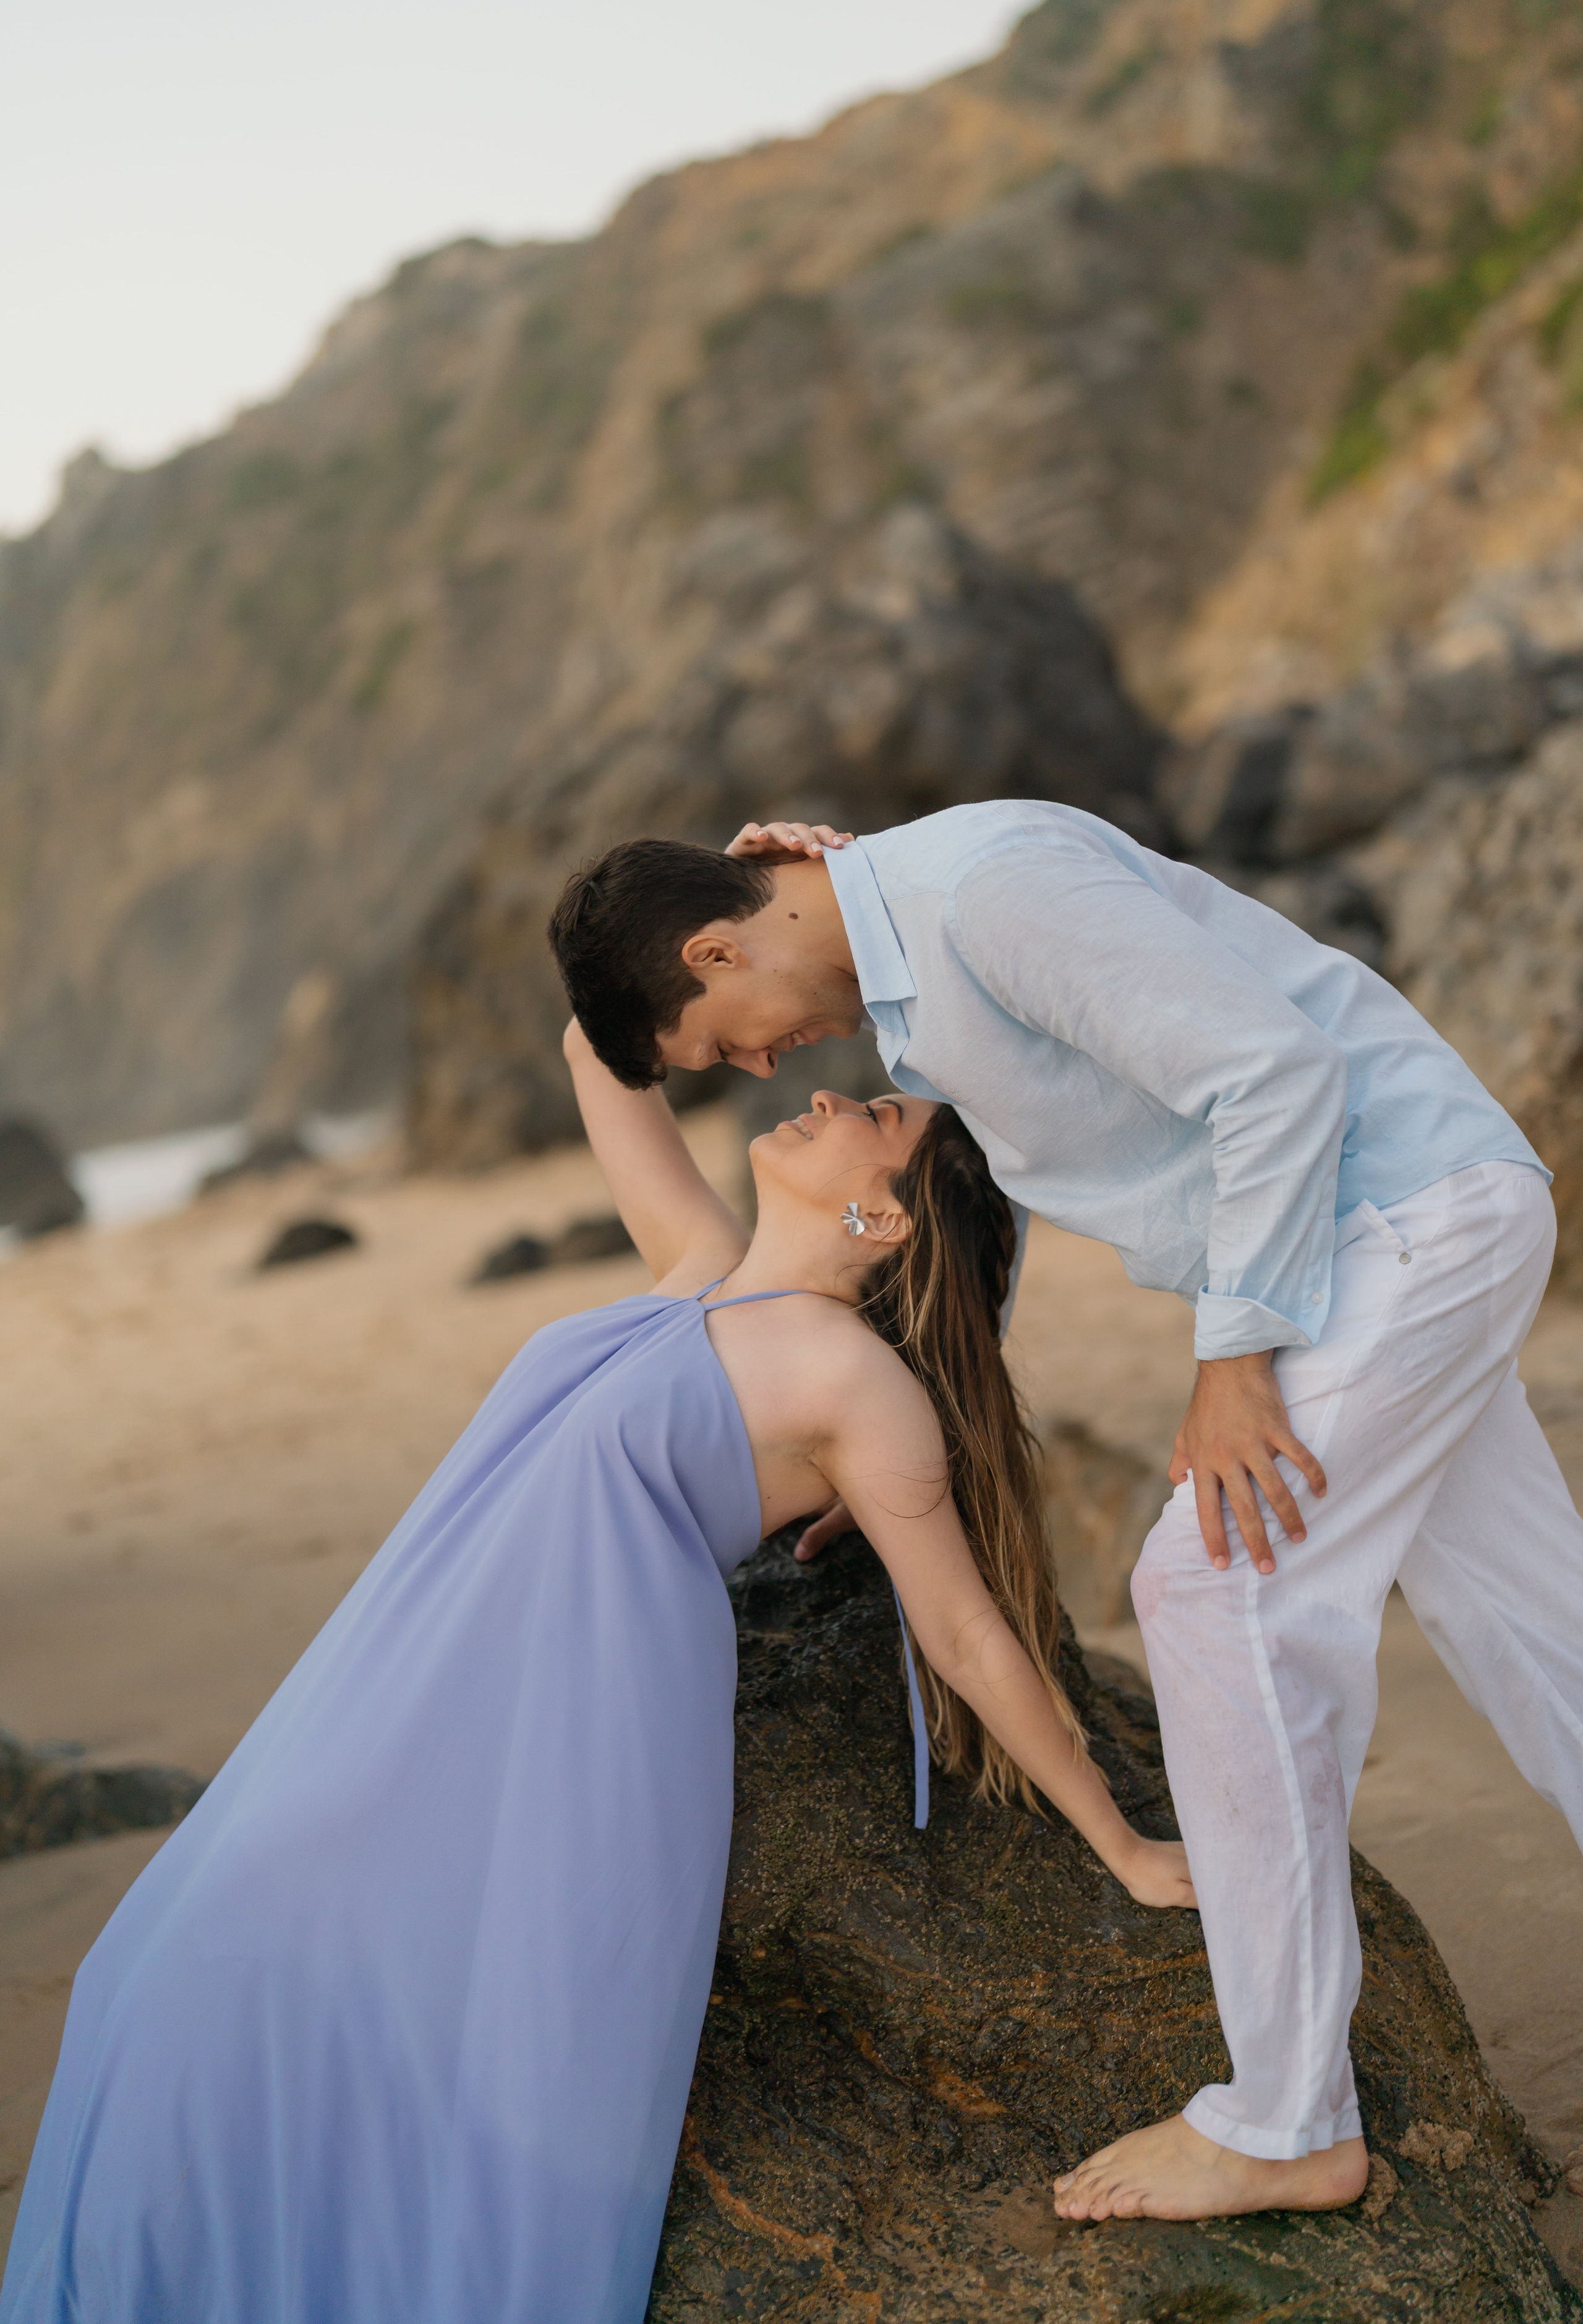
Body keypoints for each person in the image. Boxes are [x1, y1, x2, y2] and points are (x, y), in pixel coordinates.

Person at [1, 1022, 1192, 2324]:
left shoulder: (853, 1384)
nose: (833, 1092)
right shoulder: (702, 1270)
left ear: (888, 1217)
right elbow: (599, 1052)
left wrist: (1121, 1843)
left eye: (881, 1116)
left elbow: (966, 1637)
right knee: (153, 1972)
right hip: (409, 1674)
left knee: (254, 1990)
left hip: (560, 1726)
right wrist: (724, 956)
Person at [548, 801, 1583, 2223]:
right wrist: (890, 1454)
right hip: (1382, 1230)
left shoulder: (977, 895)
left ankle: (1287, 2117)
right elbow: (1002, 1183)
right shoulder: (906, 952)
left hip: (1397, 1221)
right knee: (1535, 1622)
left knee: (1214, 1593)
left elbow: (1272, 1075)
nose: (767, 1064)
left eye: (726, 1037)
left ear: (718, 948)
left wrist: (1230, 1367)